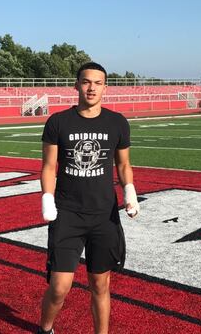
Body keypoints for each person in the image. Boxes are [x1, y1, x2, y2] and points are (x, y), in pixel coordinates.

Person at [37, 62, 140, 334]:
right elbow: (49, 165)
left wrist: (129, 191)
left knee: (100, 283)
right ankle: (45, 329)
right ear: (76, 85)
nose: (91, 87)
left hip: (103, 215)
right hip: (68, 213)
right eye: (86, 81)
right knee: (59, 287)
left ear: (106, 87)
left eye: (97, 82)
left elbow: (123, 164)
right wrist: (47, 197)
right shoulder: (58, 122)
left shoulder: (117, 122)